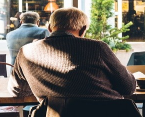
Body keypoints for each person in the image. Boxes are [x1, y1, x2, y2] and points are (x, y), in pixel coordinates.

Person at [8, 7, 136, 115]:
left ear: (50, 28)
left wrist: (45, 87)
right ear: (83, 29)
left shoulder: (26, 52)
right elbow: (128, 87)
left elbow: (17, 91)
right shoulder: (97, 47)